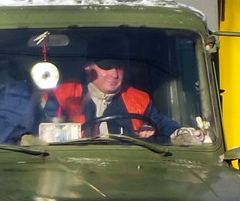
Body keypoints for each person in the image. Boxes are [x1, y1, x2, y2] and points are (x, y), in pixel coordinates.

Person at [43, 51, 196, 142]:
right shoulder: (63, 95)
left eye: (119, 68)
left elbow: (166, 126)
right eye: (107, 67)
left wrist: (182, 134)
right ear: (88, 68)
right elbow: (40, 135)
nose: (114, 74)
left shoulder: (138, 100)